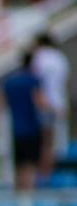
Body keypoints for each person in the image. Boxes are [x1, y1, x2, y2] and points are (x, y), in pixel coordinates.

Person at [0, 52, 49, 192]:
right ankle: (27, 199)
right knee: (30, 166)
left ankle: (19, 196)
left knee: (18, 166)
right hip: (30, 128)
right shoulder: (32, 81)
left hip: (14, 131)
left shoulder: (9, 82)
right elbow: (40, 102)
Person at [31, 33, 70, 171]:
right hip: (58, 102)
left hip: (44, 102)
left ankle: (44, 172)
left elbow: (36, 82)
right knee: (53, 142)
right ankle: (50, 171)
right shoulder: (60, 58)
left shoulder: (40, 57)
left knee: (44, 142)